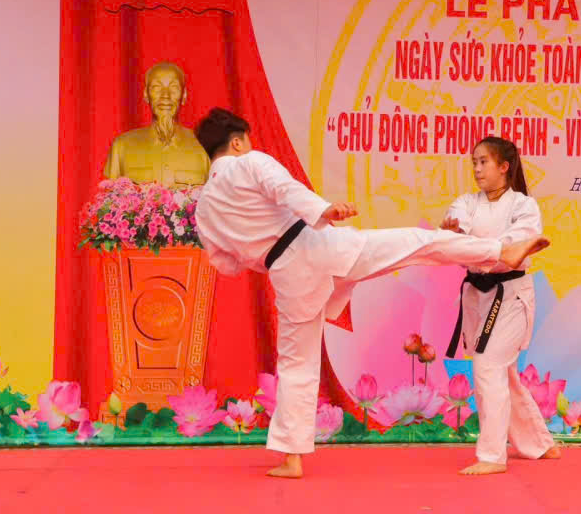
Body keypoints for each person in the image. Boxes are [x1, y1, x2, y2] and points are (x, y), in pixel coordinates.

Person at [192, 108, 550, 479]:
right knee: (418, 243)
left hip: (286, 273)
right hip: (320, 248)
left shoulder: (205, 209)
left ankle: (291, 456)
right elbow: (283, 187)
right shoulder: (249, 162)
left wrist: (259, 249)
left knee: (296, 363)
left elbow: (226, 263)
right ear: (237, 142)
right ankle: (500, 251)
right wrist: (324, 209)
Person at [440, 137, 561, 476]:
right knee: (502, 371)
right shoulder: (466, 203)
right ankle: (539, 443)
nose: (477, 169)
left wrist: (477, 245)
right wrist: (454, 233)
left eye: (484, 162)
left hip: (510, 295)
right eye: (474, 162)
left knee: (489, 364)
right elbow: (456, 230)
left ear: (504, 167)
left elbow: (517, 242)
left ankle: (492, 455)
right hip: (477, 295)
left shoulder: (523, 206)